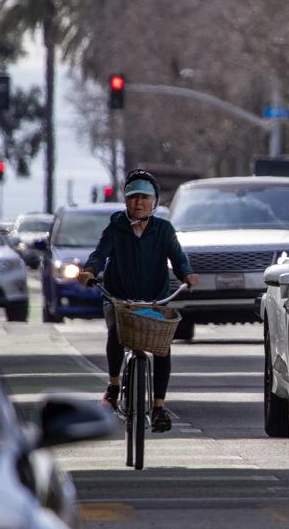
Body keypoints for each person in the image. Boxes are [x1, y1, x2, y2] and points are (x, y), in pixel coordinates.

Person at [77, 169, 199, 432]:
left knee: (162, 347)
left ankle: (158, 406)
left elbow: (178, 258)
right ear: (125, 201)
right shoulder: (116, 227)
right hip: (119, 299)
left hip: (154, 301)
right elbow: (99, 254)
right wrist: (89, 271)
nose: (138, 202)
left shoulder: (164, 230)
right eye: (133, 197)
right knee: (115, 331)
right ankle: (112, 385)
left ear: (154, 201)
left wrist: (187, 274)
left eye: (144, 197)